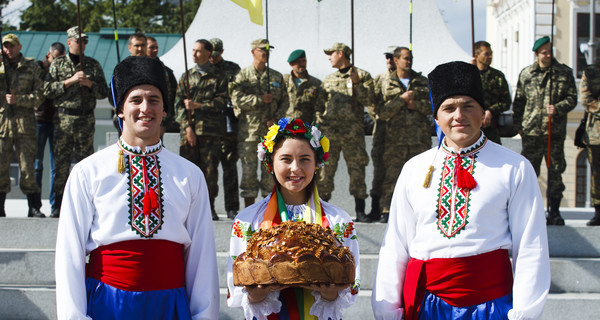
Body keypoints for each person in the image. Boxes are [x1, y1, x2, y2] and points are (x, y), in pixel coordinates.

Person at [372, 61, 550, 320]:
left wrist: (523, 314)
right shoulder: (414, 169)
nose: (458, 115)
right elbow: (396, 245)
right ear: (436, 117)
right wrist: (387, 312)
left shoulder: (515, 167)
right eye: (448, 108)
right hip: (426, 305)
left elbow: (531, 246)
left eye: (468, 106)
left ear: (483, 112)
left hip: (490, 306)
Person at [55, 56, 219, 319]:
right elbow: (69, 253)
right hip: (108, 303)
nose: (146, 108)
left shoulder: (189, 174)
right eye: (136, 100)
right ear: (120, 109)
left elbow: (202, 256)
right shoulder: (88, 172)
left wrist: (203, 315)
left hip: (170, 305)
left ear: (165, 109)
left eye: (154, 100)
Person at [227, 117, 360, 319]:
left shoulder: (339, 221)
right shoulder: (247, 220)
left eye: (305, 159)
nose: (295, 168)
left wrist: (331, 295)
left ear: (317, 164)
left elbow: (352, 280)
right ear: (271, 163)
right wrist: (255, 297)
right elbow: (236, 281)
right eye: (286, 159)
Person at [43, 26, 108, 218]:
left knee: (85, 163)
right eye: (78, 41)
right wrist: (69, 81)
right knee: (61, 163)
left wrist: (89, 84)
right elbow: (47, 90)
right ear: (69, 42)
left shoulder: (93, 64)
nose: (82, 44)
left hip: (85, 118)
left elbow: (104, 91)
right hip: (63, 119)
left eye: (85, 41)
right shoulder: (58, 64)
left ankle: (85, 205)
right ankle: (58, 205)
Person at [513, 36, 577, 225]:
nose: (548, 55)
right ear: (537, 54)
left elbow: (572, 98)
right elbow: (519, 102)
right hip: (531, 131)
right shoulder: (527, 74)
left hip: (553, 132)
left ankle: (554, 211)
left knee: (555, 171)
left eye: (550, 51)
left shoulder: (564, 73)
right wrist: (519, 126)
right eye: (544, 53)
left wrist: (558, 108)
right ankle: (527, 212)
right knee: (529, 173)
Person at [374, 47, 431, 224]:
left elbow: (434, 107)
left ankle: (421, 209)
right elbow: (380, 112)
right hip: (394, 140)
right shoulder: (385, 82)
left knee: (421, 176)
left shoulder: (422, 81)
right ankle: (387, 210)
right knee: (392, 175)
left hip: (419, 139)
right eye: (405, 58)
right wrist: (401, 100)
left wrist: (417, 105)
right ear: (396, 60)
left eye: (410, 58)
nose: (409, 61)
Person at [319, 42, 375, 222]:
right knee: (325, 172)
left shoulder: (362, 75)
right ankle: (321, 209)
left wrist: (357, 83)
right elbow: (320, 104)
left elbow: (370, 100)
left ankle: (360, 210)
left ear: (341, 54)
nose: (329, 57)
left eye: (331, 53)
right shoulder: (327, 80)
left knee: (357, 169)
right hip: (330, 133)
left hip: (353, 132)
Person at [230, 38, 288, 207]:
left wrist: (276, 119)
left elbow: (285, 102)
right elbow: (236, 99)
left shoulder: (276, 76)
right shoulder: (242, 76)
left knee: (270, 171)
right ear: (253, 52)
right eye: (262, 50)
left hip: (270, 132)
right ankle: (250, 210)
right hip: (249, 132)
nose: (265, 53)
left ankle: (268, 209)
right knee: (248, 173)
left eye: (268, 50)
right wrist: (260, 99)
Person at [174, 39, 228, 221]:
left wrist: (199, 105)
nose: (194, 54)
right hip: (189, 133)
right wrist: (187, 127)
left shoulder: (219, 77)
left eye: (198, 51)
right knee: (186, 171)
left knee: (210, 171)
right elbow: (178, 105)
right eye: (193, 50)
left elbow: (222, 102)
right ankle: (185, 207)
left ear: (208, 54)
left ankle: (209, 206)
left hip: (211, 132)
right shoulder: (186, 77)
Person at [0, 33, 45, 218]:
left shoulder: (31, 67)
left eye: (12, 46)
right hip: (2, 125)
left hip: (24, 125)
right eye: (5, 47)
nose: (8, 50)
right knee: (1, 167)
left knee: (27, 167)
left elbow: (40, 95)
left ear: (19, 47)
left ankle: (33, 207)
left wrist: (19, 100)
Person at [209, 37, 241, 219]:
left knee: (230, 168)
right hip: (210, 126)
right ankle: (210, 206)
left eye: (216, 54)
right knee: (210, 170)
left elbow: (236, 92)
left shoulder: (232, 69)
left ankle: (232, 207)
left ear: (222, 52)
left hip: (228, 124)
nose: (213, 58)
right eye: (210, 54)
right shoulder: (204, 69)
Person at [34, 42, 65, 217]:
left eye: (61, 59)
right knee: (37, 165)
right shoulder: (39, 69)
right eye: (55, 58)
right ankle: (35, 206)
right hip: (39, 120)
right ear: (48, 56)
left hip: (56, 122)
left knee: (57, 166)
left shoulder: (62, 71)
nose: (58, 62)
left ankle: (55, 205)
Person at [368, 45, 399, 222]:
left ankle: (390, 209)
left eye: (392, 57)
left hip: (402, 136)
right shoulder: (379, 79)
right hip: (382, 133)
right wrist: (380, 117)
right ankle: (375, 208)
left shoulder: (410, 80)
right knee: (379, 171)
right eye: (387, 57)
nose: (389, 61)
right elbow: (372, 105)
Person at [472, 41, 511, 145]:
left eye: (491, 53)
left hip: (491, 130)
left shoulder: (497, 76)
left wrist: (490, 111)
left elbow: (506, 102)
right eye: (486, 54)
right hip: (471, 128)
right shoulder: (469, 74)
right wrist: (468, 68)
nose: (490, 57)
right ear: (476, 56)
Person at [579, 64, 600, 225]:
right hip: (596, 133)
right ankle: (598, 211)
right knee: (597, 175)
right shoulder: (591, 72)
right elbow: (585, 98)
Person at [283, 49, 325, 124]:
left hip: (306, 128)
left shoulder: (316, 83)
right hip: (286, 126)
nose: (302, 64)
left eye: (304, 61)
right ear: (291, 64)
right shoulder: (283, 81)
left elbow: (319, 108)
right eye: (298, 62)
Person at [146, 36, 179, 134]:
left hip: (160, 119)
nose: (155, 50)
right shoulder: (135, 69)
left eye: (156, 47)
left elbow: (173, 96)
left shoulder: (166, 71)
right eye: (151, 47)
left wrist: (165, 119)